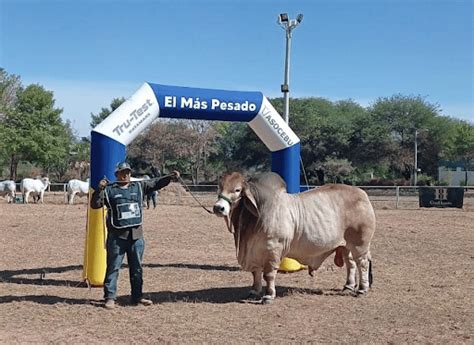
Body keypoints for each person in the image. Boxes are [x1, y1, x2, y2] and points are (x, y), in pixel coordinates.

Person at [90, 161, 180, 309]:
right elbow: (95, 205)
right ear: (117, 174)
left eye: (128, 172)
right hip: (116, 237)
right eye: (123, 172)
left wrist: (170, 177)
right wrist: (99, 189)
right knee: (113, 267)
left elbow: (156, 183)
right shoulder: (109, 190)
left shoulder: (139, 186)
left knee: (137, 268)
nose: (126, 175)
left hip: (136, 236)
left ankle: (137, 297)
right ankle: (110, 297)